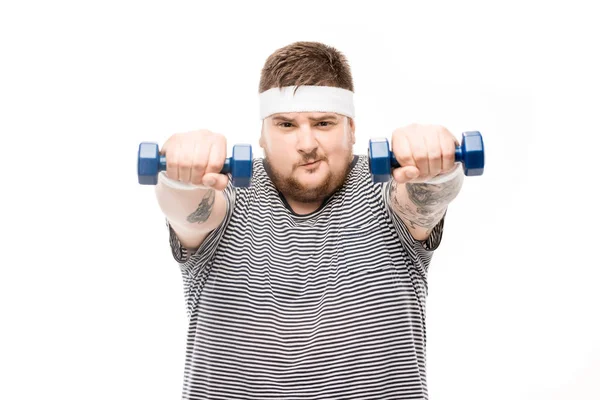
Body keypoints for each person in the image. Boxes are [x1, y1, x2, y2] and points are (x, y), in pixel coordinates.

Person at [154, 41, 465, 400]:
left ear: (350, 128)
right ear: (262, 135)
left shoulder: (386, 191)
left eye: (323, 123)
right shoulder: (230, 192)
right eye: (286, 124)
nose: (307, 143)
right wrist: (181, 175)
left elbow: (426, 197)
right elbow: (187, 209)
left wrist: (435, 166)